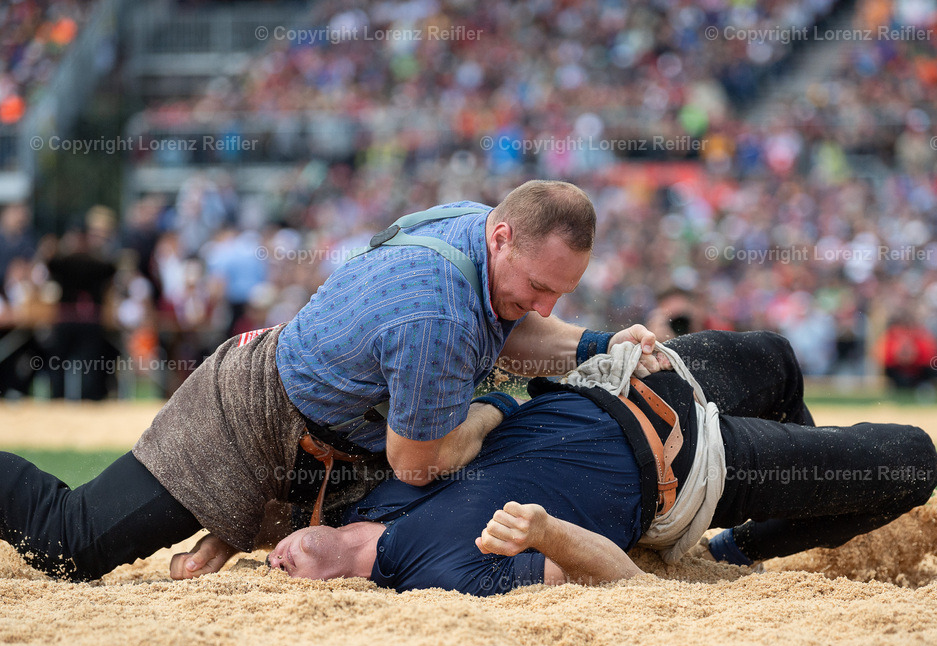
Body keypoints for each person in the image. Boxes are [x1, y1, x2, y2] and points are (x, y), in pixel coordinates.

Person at [0, 179, 666, 581]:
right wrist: (496, 404)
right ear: (500, 237)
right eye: (539, 286)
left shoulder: (472, 229)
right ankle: (229, 521)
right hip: (242, 421)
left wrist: (604, 343)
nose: (547, 306)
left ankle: (232, 529)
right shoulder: (437, 314)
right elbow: (415, 463)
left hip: (317, 429)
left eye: (562, 292)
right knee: (71, 542)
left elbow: (512, 325)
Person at [263, 330, 937, 594]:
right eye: (281, 582)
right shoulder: (442, 578)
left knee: (780, 356)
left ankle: (778, 523)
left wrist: (495, 407)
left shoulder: (364, 492)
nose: (276, 565)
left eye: (271, 558)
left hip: (624, 379)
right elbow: (618, 576)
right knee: (916, 462)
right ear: (326, 597)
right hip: (691, 463)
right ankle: (739, 547)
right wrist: (544, 529)